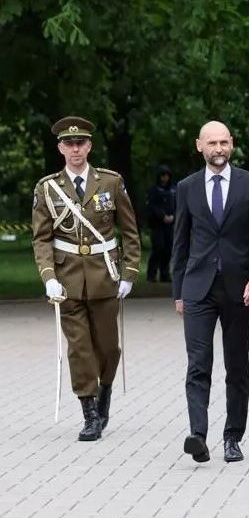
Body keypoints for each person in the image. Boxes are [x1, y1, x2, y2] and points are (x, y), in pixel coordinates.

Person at [31, 115, 142, 441]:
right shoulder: (48, 188)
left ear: (89, 146)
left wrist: (129, 272)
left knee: (108, 347)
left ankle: (105, 387)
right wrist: (49, 276)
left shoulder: (109, 182)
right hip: (67, 280)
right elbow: (41, 238)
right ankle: (89, 412)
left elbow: (130, 231)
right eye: (69, 143)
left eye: (80, 143)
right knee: (79, 348)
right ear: (60, 148)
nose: (75, 149)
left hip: (105, 275)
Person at [172, 121, 249, 463]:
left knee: (236, 365)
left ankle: (233, 437)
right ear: (199, 146)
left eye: (224, 142)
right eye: (212, 143)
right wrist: (178, 292)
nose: (219, 148)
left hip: (239, 289)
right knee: (198, 364)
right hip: (198, 288)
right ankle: (197, 435)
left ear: (232, 144)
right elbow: (180, 242)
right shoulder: (187, 187)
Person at [146, 164, 176, 282]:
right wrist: (162, 216)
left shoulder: (173, 190)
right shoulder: (154, 190)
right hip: (157, 224)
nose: (165, 178)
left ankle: (165, 274)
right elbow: (152, 206)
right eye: (163, 175)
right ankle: (151, 275)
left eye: (167, 175)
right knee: (158, 248)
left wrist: (173, 216)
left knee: (168, 249)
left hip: (170, 224)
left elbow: (177, 205)